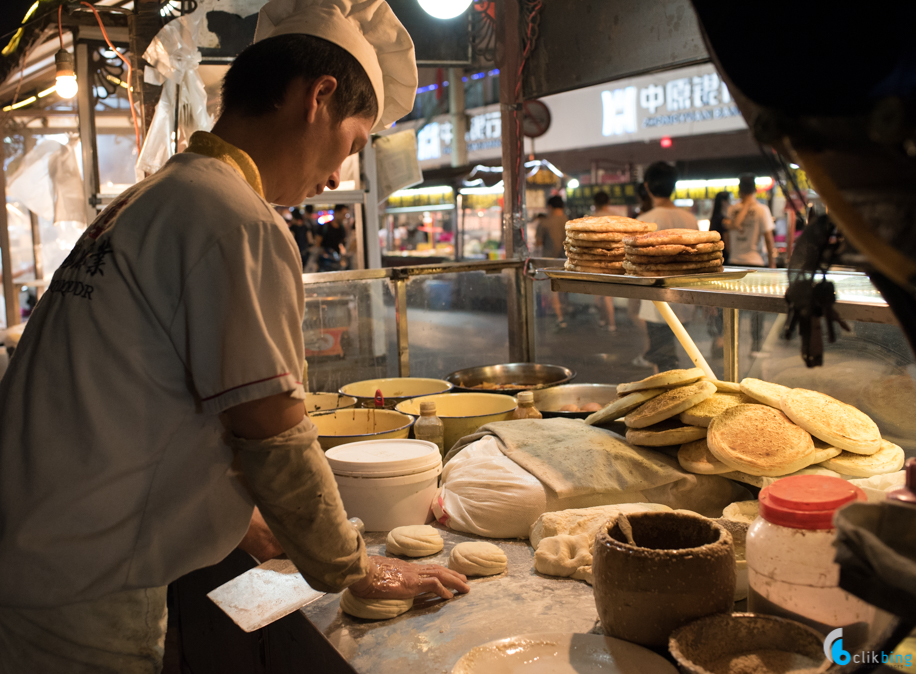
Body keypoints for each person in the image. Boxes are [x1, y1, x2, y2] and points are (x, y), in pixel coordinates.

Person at [0, 1, 469, 670]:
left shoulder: (158, 196)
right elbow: (271, 434)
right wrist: (355, 569)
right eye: (354, 143)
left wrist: (250, 522)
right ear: (319, 97)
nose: (337, 177)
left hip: (37, 564)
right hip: (83, 590)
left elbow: (151, 400)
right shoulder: (236, 220)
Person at [636, 161, 699, 372]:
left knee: (663, 359)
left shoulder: (645, 221)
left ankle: (667, 398)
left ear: (647, 186)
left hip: (657, 303)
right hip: (685, 297)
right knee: (674, 352)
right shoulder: (690, 218)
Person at [726, 173, 776, 268]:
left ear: (739, 190)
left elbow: (727, 237)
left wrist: (731, 253)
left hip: (734, 261)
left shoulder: (731, 209)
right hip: (755, 261)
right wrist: (772, 263)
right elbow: (769, 240)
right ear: (755, 190)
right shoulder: (762, 210)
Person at [536, 195, 568, 328]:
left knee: (553, 290)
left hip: (550, 261)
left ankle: (559, 318)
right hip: (567, 261)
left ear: (549, 207)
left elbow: (538, 243)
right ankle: (564, 312)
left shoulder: (545, 222)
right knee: (564, 288)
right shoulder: (569, 221)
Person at [592, 191, 617, 333]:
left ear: (595, 203)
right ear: (609, 201)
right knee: (608, 296)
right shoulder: (617, 216)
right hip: (613, 260)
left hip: (597, 261)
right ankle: (610, 323)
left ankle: (604, 320)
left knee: (599, 296)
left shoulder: (593, 219)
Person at [709, 190, 732, 265]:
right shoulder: (723, 220)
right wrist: (730, 254)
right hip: (723, 255)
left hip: (715, 254)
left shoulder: (714, 218)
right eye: (729, 201)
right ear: (723, 202)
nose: (731, 204)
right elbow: (726, 239)